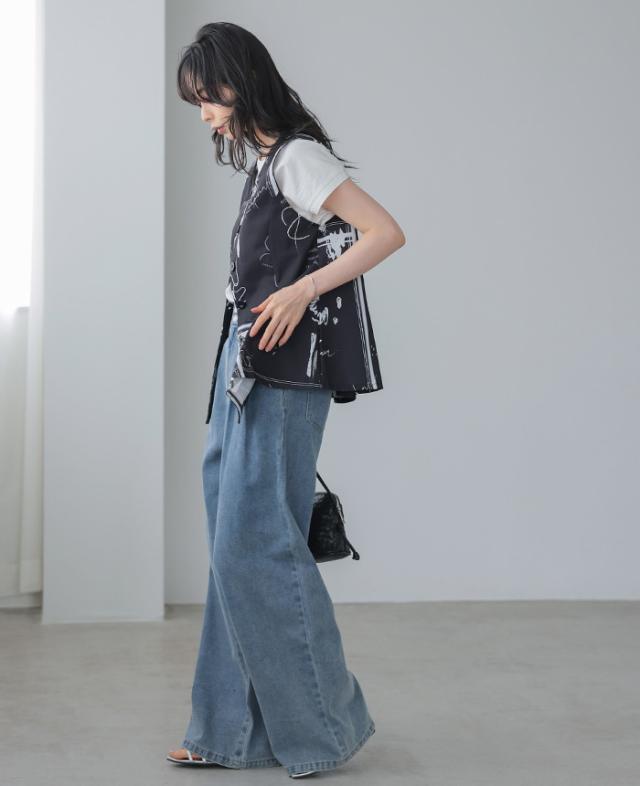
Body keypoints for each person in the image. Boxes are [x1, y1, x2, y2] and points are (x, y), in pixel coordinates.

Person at [167, 21, 406, 779]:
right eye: (197, 102)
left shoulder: (298, 157)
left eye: (209, 98)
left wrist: (303, 291)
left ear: (239, 84)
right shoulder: (269, 162)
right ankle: (228, 731)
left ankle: (325, 727)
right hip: (245, 368)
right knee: (234, 546)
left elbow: (383, 232)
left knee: (259, 544)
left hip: (281, 374)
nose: (205, 115)